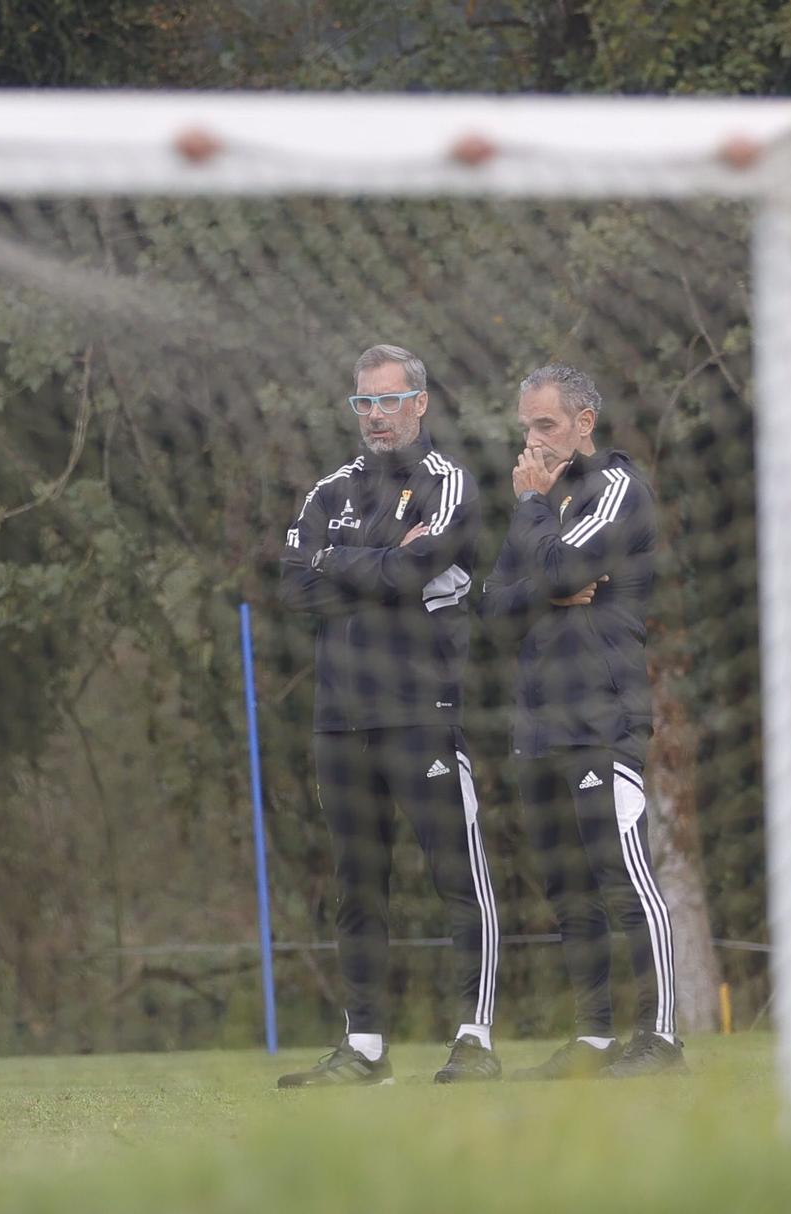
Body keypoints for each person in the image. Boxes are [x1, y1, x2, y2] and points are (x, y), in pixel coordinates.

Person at [276, 343, 502, 1087]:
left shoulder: (449, 483)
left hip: (421, 711)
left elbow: (415, 572)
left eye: (389, 400)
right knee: (358, 884)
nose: (376, 415)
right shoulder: (326, 491)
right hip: (339, 720)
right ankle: (364, 1047)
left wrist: (341, 564)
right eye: (363, 403)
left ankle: (475, 1038)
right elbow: (293, 586)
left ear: (420, 403)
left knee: (455, 876)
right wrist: (377, 565)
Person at [480, 364, 685, 1079]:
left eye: (546, 426)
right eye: (526, 428)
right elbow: (494, 607)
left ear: (583, 424)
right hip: (538, 726)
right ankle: (595, 1040)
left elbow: (561, 574)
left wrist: (540, 540)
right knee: (569, 891)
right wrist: (550, 578)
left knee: (624, 880)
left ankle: (660, 1039)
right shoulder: (540, 503)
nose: (532, 443)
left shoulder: (616, 487)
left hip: (603, 718)